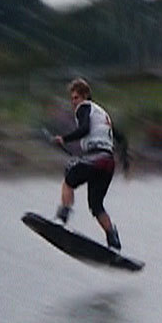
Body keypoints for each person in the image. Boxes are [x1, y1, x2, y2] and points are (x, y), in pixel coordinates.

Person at [53, 78, 129, 250]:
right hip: (108, 163)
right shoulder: (103, 115)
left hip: (96, 159)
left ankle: (61, 218)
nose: (74, 102)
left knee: (68, 179)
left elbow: (84, 129)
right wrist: (125, 162)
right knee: (96, 206)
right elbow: (121, 138)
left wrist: (64, 139)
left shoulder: (84, 107)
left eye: (76, 98)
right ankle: (113, 240)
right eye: (72, 99)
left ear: (85, 95)